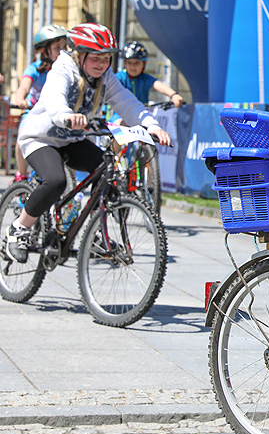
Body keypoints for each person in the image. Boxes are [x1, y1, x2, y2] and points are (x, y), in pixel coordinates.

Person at [4, 23, 171, 263]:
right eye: (96, 58)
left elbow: (127, 101)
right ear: (79, 54)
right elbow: (54, 98)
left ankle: (93, 231)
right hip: (41, 138)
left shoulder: (105, 76)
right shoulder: (63, 69)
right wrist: (66, 116)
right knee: (56, 181)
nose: (102, 64)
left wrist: (151, 125)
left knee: (107, 172)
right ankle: (18, 230)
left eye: (106, 59)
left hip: (72, 140)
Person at [11, 25, 69, 181]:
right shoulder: (35, 69)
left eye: (65, 46)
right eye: (58, 48)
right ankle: (22, 176)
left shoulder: (68, 70)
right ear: (44, 51)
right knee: (22, 135)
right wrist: (20, 99)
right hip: (35, 114)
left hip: (59, 115)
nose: (63, 51)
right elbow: (24, 87)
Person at [116, 42, 185, 107]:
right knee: (119, 120)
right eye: (129, 63)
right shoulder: (119, 77)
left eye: (137, 63)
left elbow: (158, 85)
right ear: (125, 63)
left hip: (142, 112)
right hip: (121, 113)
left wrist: (173, 94)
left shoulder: (145, 78)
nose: (133, 66)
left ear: (144, 64)